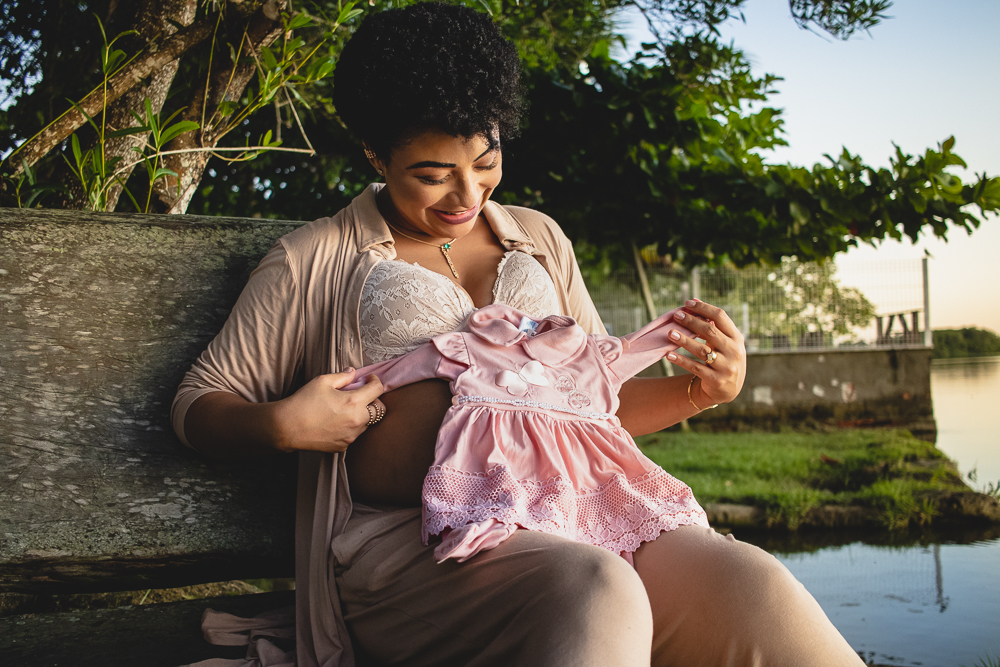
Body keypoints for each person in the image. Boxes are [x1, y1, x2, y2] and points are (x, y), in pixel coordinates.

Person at [172, 3, 866, 666]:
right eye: (432, 175)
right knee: (597, 589)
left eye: (486, 161)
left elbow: (597, 412)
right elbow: (198, 403)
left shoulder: (540, 239)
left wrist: (699, 390)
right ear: (374, 154)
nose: (467, 195)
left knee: (750, 583)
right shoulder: (312, 259)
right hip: (414, 552)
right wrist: (282, 424)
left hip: (581, 516)